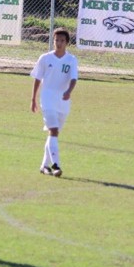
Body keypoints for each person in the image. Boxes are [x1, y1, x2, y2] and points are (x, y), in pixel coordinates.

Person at [30, 28, 78, 177]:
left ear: (67, 43)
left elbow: (74, 78)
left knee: (53, 134)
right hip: (48, 98)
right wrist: (33, 99)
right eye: (56, 40)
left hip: (63, 101)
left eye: (62, 41)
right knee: (54, 131)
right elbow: (37, 78)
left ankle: (44, 166)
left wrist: (69, 92)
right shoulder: (45, 58)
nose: (59, 43)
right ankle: (56, 165)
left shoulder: (71, 60)